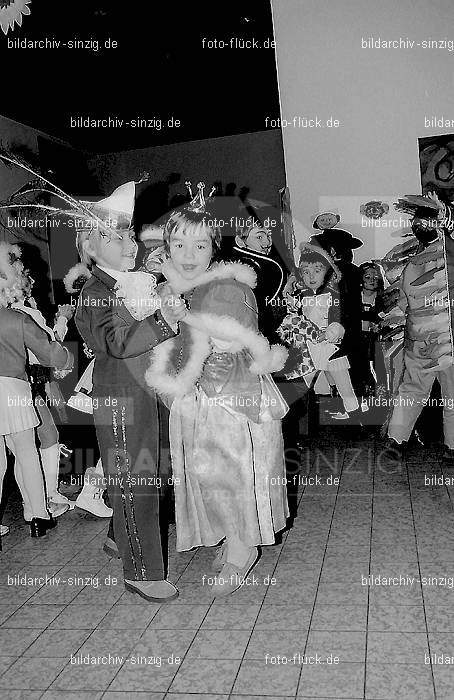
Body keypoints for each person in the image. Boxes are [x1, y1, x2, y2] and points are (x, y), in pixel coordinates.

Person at [145, 188, 289, 598]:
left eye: (200, 244)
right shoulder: (184, 286)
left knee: (237, 473)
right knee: (210, 475)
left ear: (215, 246)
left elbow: (233, 341)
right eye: (179, 243)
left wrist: (182, 314)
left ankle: (243, 547)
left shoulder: (230, 285)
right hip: (200, 398)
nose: (189, 253)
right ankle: (233, 535)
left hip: (233, 398)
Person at [74, 181, 186, 602]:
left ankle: (119, 538)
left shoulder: (131, 282)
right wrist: (162, 322)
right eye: (115, 237)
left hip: (149, 392)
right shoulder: (94, 292)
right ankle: (141, 570)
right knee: (136, 479)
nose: (128, 243)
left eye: (128, 235)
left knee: (151, 473)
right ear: (90, 245)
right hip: (122, 398)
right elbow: (115, 343)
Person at [0, 242, 74, 537]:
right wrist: (66, 354)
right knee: (27, 452)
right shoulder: (17, 319)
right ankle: (39, 517)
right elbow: (53, 355)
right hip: (14, 390)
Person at [386, 195, 454, 459]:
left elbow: (404, 302)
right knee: (441, 394)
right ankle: (446, 446)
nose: (417, 225)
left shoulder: (430, 257)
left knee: (420, 390)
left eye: (420, 221)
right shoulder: (433, 255)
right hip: (434, 340)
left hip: (433, 338)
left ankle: (399, 440)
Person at [12, 271, 74, 518]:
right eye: (26, 274)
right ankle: (44, 499)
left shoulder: (21, 309)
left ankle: (41, 499)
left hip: (23, 384)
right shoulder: (26, 314)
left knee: (25, 446)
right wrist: (62, 319)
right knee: (40, 440)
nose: (33, 280)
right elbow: (50, 347)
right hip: (24, 385)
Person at [278, 243, 359, 421]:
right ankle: (295, 417)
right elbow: (294, 314)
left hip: (331, 346)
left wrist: (330, 333)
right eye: (306, 271)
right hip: (309, 347)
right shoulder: (302, 295)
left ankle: (356, 419)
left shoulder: (332, 294)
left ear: (327, 272)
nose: (311, 276)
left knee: (343, 385)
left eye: (317, 270)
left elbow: (338, 318)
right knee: (302, 383)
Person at [228, 217, 287, 343]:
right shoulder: (245, 267)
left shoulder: (264, 262)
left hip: (269, 328)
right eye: (259, 237)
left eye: (269, 236)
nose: (267, 243)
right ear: (240, 241)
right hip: (257, 332)